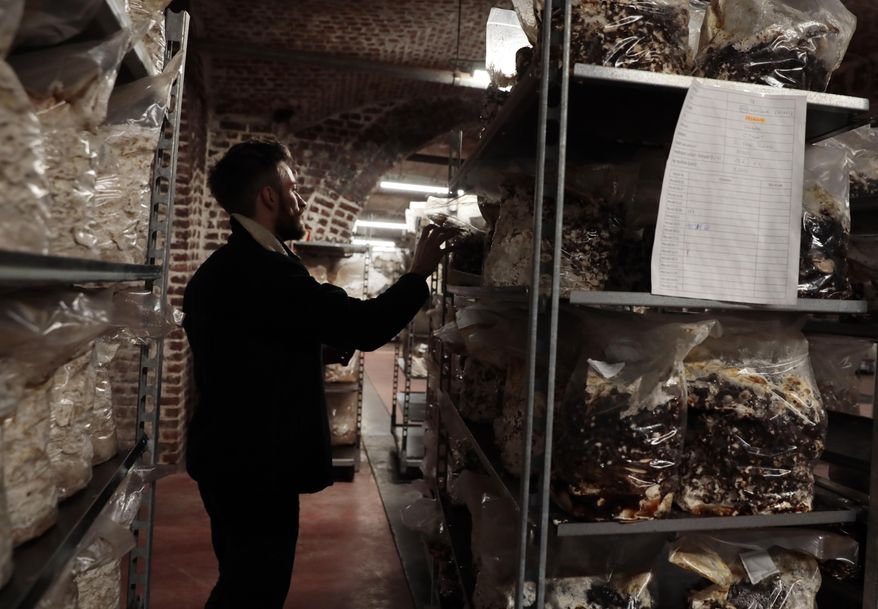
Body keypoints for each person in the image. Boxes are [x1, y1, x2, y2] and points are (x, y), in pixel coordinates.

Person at [182, 140, 455, 609]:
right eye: (292, 187)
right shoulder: (262, 270)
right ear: (269, 196)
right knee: (254, 588)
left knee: (246, 579)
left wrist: (315, 347)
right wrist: (418, 274)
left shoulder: (239, 265)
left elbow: (249, 347)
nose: (301, 199)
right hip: (252, 466)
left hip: (234, 458)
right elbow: (368, 326)